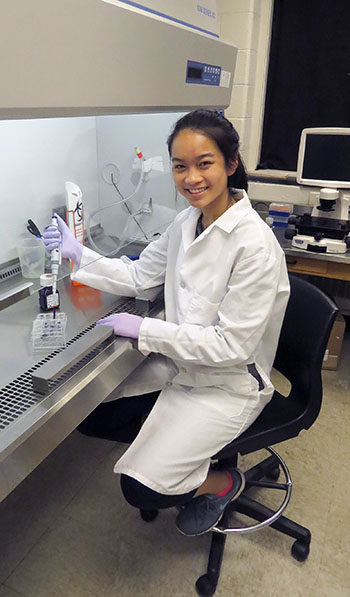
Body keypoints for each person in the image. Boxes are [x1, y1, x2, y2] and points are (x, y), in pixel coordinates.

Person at [43, 109, 290, 536]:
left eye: (204, 163)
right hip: (185, 367)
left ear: (231, 164)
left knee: (140, 488)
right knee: (88, 416)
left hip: (229, 384)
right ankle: (181, 451)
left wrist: (145, 330)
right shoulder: (186, 222)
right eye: (180, 166)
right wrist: (78, 254)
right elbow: (140, 275)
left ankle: (225, 481)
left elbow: (230, 346)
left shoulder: (255, 246)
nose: (191, 177)